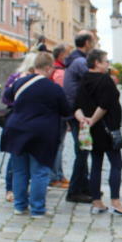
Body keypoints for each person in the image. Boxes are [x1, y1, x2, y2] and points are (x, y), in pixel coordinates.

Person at [0, 52, 69, 218]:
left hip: (17, 130)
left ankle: (19, 206)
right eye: (52, 68)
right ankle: (37, 209)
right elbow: (66, 110)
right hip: (42, 134)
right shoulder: (54, 88)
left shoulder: (20, 82)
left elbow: (6, 98)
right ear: (47, 68)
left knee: (20, 171)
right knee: (39, 171)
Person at [75, 49, 122, 216]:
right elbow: (105, 105)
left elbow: (76, 105)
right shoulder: (105, 79)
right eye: (106, 61)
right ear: (97, 63)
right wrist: (93, 119)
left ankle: (97, 202)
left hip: (92, 131)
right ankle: (116, 201)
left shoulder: (83, 79)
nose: (108, 64)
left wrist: (83, 119)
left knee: (96, 166)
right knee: (116, 164)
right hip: (108, 129)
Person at [63, 31, 96, 204]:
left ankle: (84, 186)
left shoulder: (75, 59)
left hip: (75, 111)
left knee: (83, 150)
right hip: (79, 113)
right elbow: (93, 81)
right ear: (87, 43)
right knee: (82, 152)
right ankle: (75, 191)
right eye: (93, 41)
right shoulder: (81, 61)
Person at [0, 53, 37, 203]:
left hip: (25, 120)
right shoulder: (17, 77)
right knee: (15, 155)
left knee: (22, 155)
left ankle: (20, 188)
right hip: (18, 118)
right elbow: (5, 98)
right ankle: (10, 188)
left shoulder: (34, 78)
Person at [48, 44, 72, 189]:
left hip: (53, 113)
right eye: (67, 54)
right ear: (61, 55)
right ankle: (55, 176)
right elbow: (63, 96)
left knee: (58, 146)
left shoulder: (55, 69)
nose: (69, 56)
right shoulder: (59, 72)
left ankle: (58, 175)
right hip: (58, 114)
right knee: (58, 146)